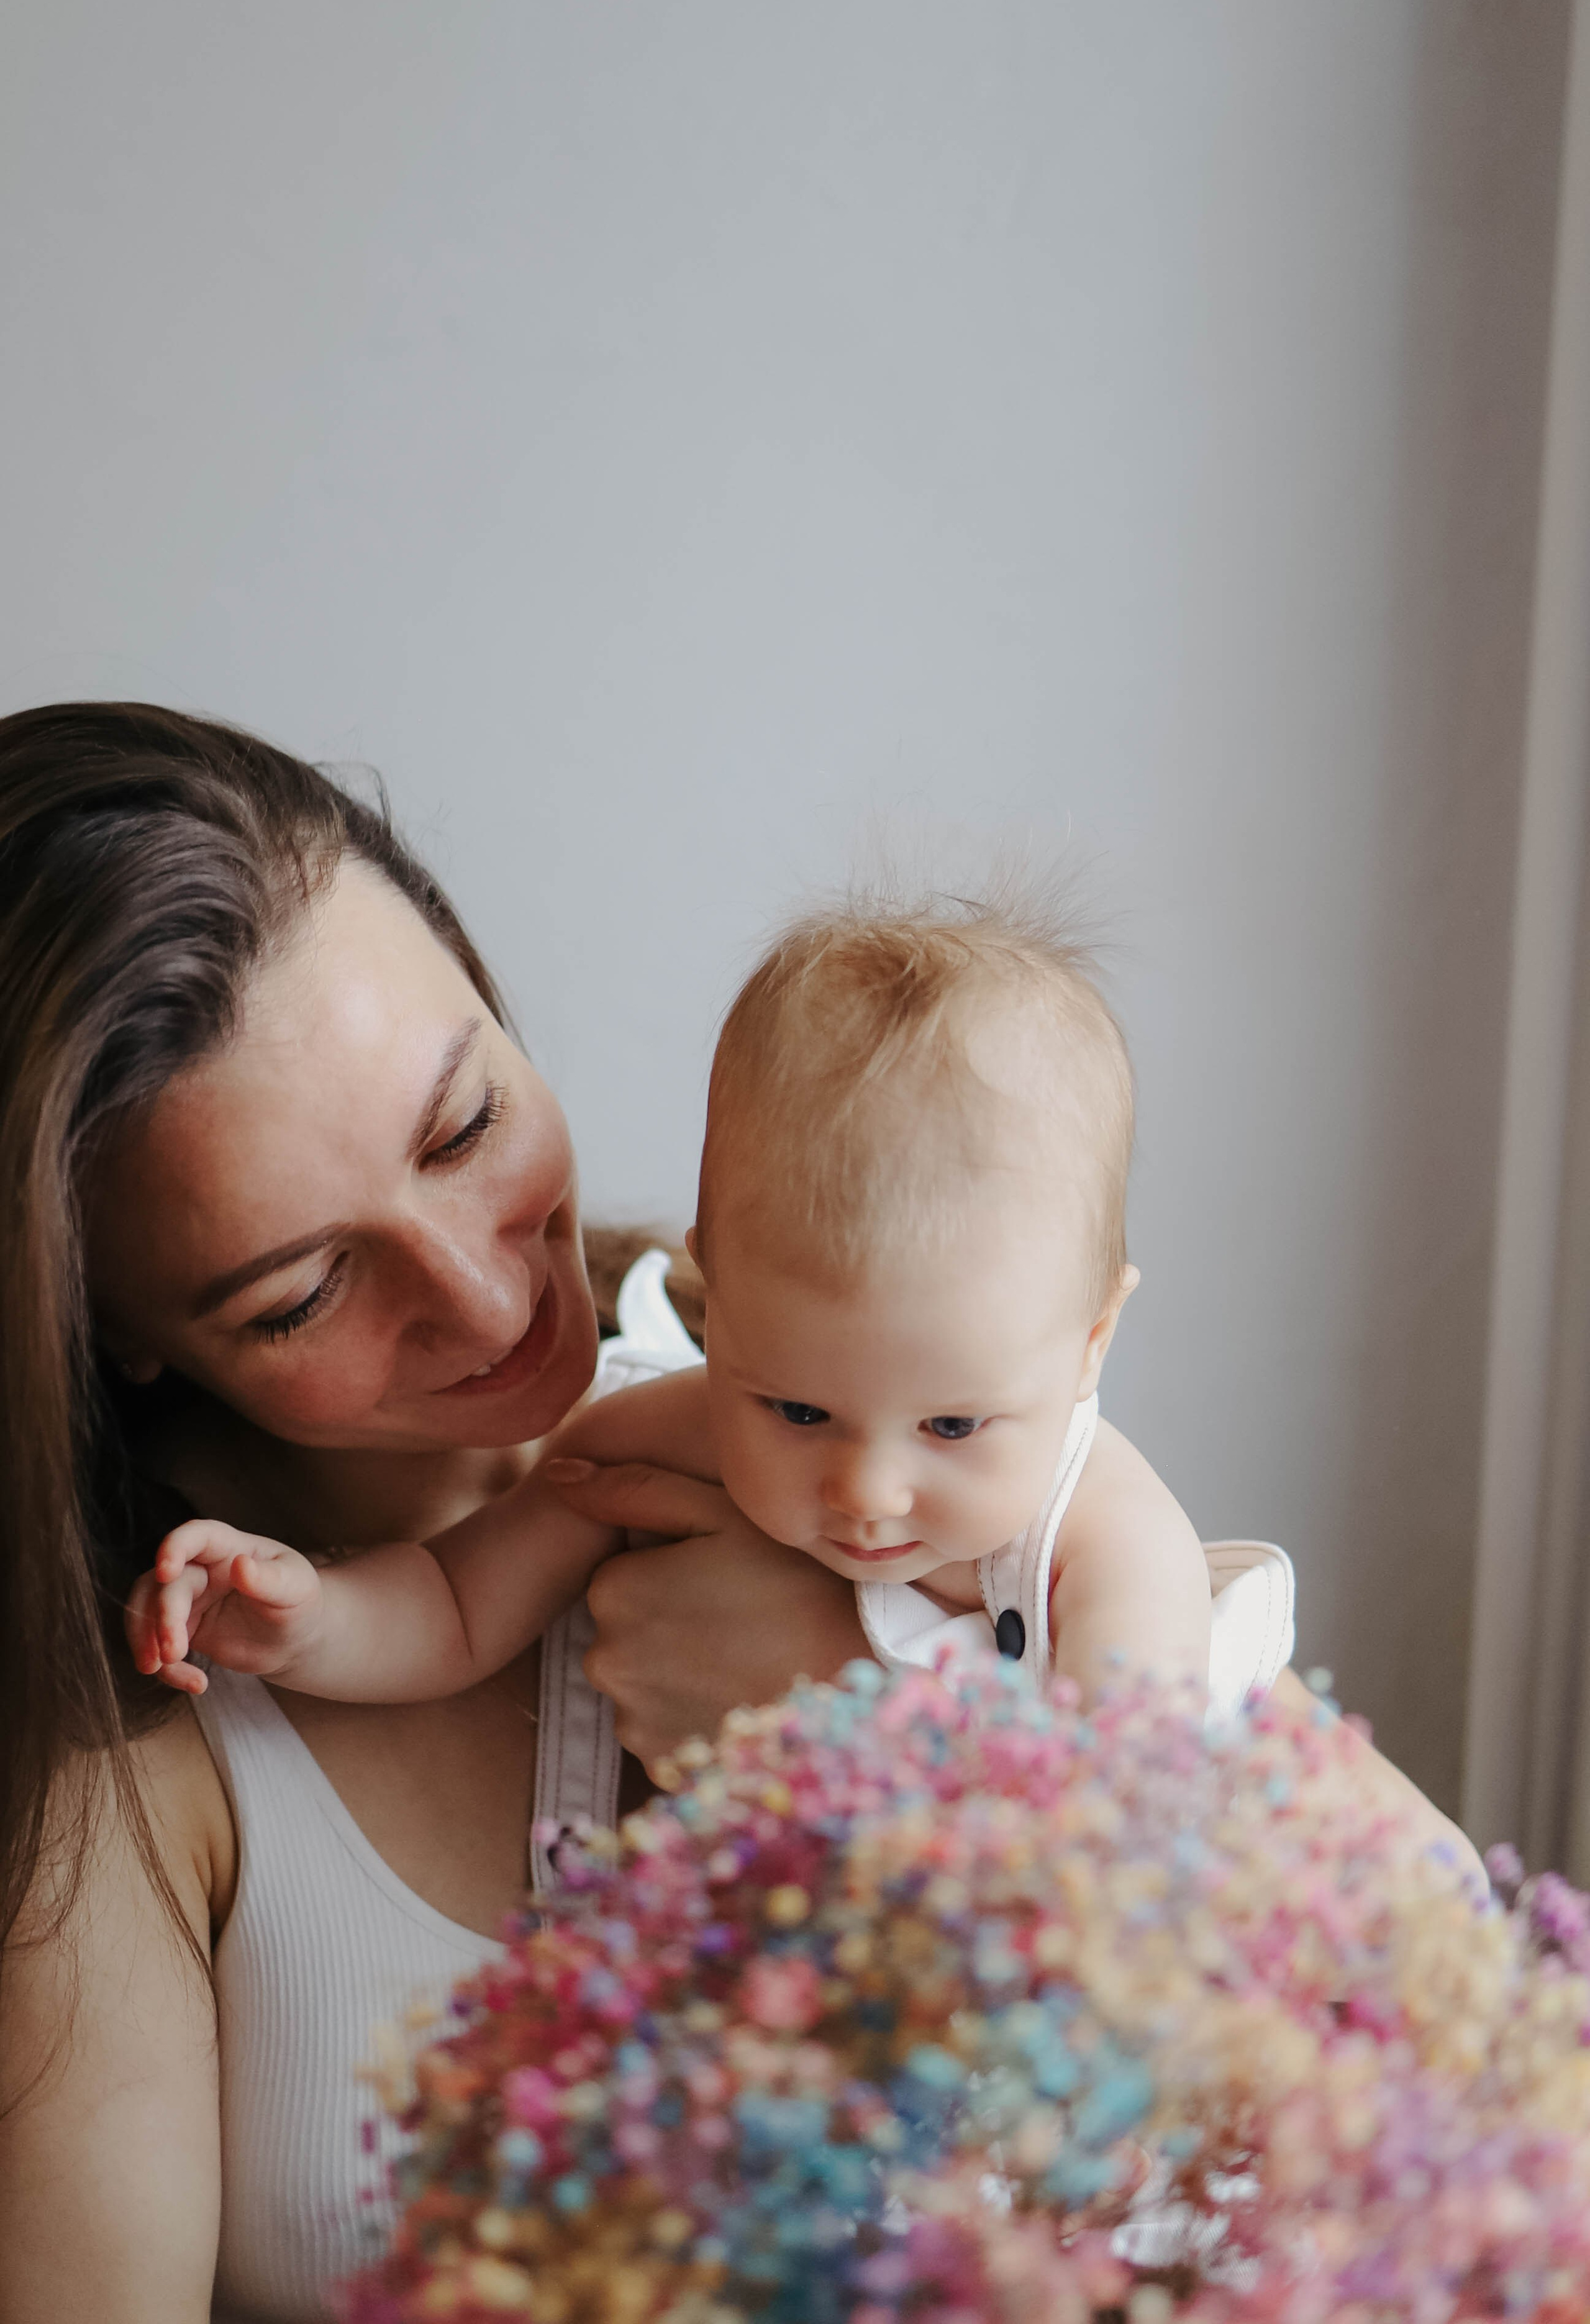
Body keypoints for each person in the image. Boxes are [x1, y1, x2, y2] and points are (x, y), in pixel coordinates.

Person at [0, 701, 1471, 2324]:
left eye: (467, 1123)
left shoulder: (866, 1390)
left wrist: (890, 1749)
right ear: (112, 1331)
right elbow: (445, 1613)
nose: (490, 1302)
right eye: (306, 1291)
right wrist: (309, 1617)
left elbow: (1464, 2030)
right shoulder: (136, 1742)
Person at [129, 889, 1226, 1720]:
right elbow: (459, 1611)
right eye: (795, 1411)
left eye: (951, 1426)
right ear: (720, 1302)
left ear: (1090, 1347)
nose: (867, 1490)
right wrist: (311, 1622)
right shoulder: (665, 1434)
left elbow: (1117, 1834)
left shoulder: (1105, 1540)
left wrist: (859, 1720)